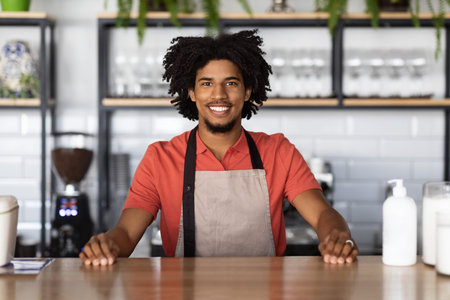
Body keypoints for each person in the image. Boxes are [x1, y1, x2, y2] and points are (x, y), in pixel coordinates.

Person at [79, 29, 358, 266]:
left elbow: (322, 214)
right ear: (192, 92)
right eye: (207, 83)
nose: (219, 95)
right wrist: (107, 245)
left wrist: (336, 235)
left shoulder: (278, 152)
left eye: (231, 83)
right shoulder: (160, 158)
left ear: (247, 91)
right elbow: (126, 233)